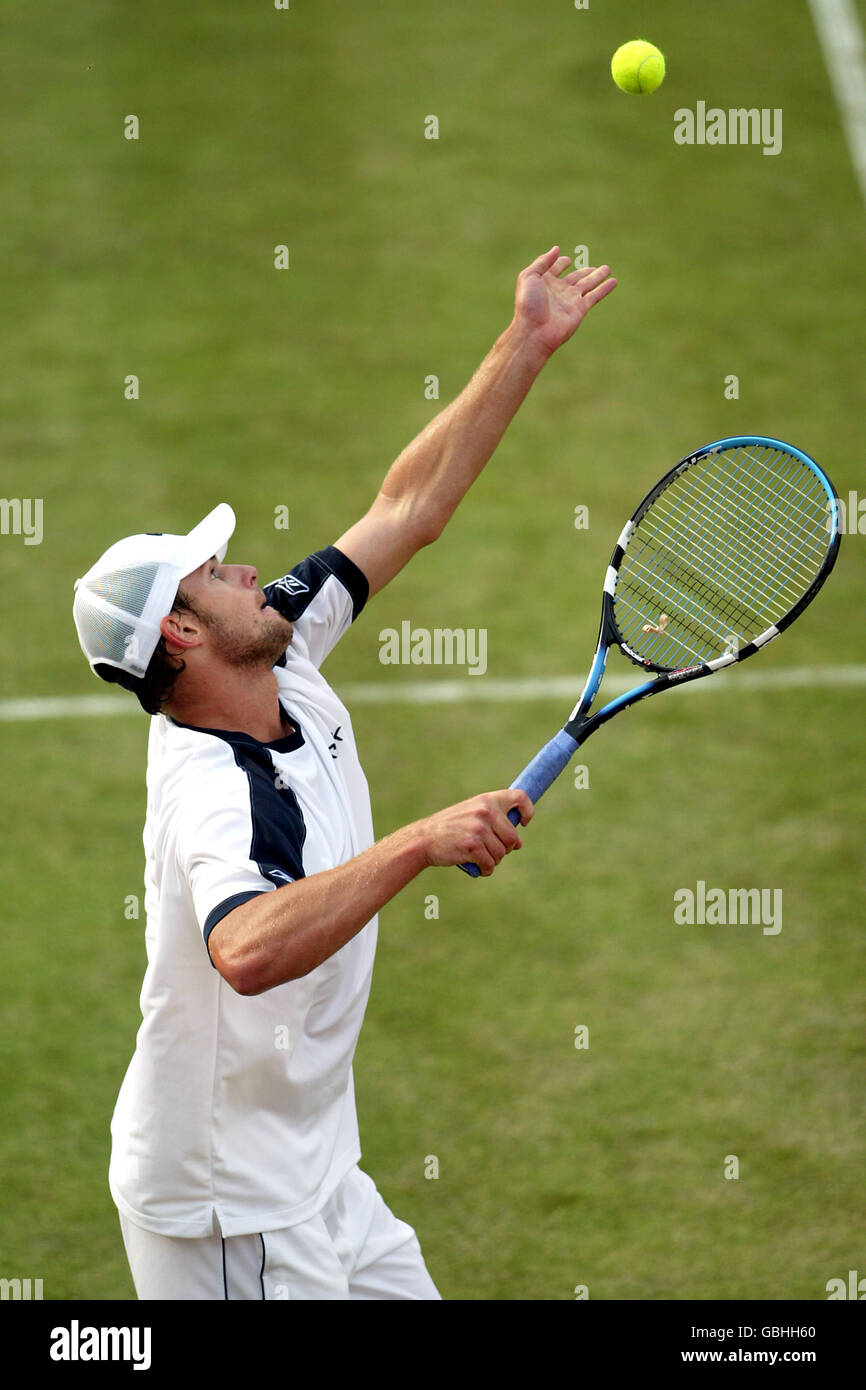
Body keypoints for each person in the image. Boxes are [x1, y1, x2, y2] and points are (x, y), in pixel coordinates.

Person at [72, 247, 616, 1300]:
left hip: (314, 1171)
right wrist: (418, 842)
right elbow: (242, 947)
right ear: (183, 633)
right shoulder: (213, 788)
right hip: (230, 1207)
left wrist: (525, 344)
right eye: (211, 572)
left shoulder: (281, 651)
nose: (244, 567)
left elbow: (406, 506)